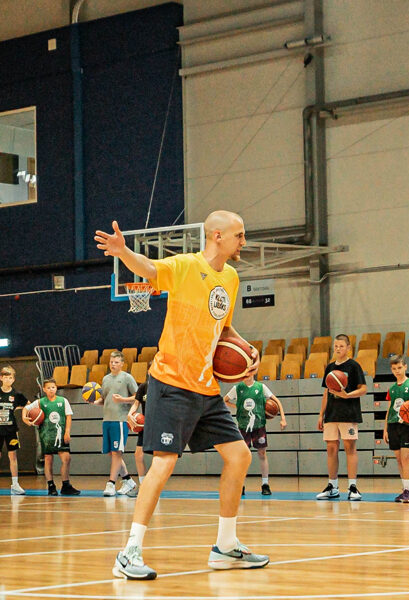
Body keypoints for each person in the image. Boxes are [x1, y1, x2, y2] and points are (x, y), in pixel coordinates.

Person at [95, 211, 267, 580]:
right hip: (172, 382)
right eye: (239, 235)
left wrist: (245, 349)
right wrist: (124, 252)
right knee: (164, 464)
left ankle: (225, 545)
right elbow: (150, 269)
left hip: (207, 387)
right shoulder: (187, 266)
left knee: (239, 456)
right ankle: (130, 552)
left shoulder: (231, 277)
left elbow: (222, 324)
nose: (244, 242)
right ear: (217, 235)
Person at [316, 334, 367, 501]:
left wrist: (348, 395)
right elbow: (326, 392)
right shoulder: (330, 367)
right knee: (331, 449)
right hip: (331, 414)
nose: (338, 349)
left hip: (348, 413)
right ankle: (333, 486)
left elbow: (363, 389)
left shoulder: (354, 366)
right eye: (336, 346)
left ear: (348, 348)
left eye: (341, 346)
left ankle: (352, 486)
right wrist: (321, 414)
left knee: (349, 448)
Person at [224, 374, 287, 495]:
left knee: (262, 453)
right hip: (243, 426)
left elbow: (277, 401)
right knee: (242, 457)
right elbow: (224, 400)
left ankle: (265, 484)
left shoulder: (261, 387)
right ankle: (240, 484)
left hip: (259, 426)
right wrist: (236, 406)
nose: (246, 375)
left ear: (253, 373)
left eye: (249, 372)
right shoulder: (237, 388)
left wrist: (283, 418)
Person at [22, 378, 80, 496]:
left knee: (66, 458)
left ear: (56, 388)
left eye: (53, 387)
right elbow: (26, 408)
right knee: (48, 460)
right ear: (44, 389)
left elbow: (68, 416)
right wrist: (24, 418)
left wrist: (67, 431)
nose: (51, 389)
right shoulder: (40, 402)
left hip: (61, 433)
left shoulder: (63, 401)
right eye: (48, 388)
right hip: (46, 434)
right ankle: (51, 486)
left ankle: (66, 485)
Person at [382, 355, 409, 503]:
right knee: (399, 459)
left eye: (399, 368)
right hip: (393, 425)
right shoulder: (392, 388)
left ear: (405, 366)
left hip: (407, 425)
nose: (397, 371)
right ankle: (406, 489)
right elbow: (389, 409)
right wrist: (385, 429)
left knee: (406, 458)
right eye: (394, 369)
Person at [95, 351, 138, 497]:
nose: (113, 364)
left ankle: (111, 483)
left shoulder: (127, 378)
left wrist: (123, 400)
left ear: (122, 364)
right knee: (110, 452)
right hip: (106, 419)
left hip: (120, 420)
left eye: (116, 362)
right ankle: (128, 480)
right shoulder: (106, 379)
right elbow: (104, 399)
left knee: (116, 452)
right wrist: (95, 401)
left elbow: (138, 397)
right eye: (111, 362)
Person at [0, 366, 28, 495]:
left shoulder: (17, 394)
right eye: (6, 377)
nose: (8, 379)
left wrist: (21, 412)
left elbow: (29, 404)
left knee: (13, 455)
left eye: (10, 377)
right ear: (1, 378)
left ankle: (15, 484)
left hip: (11, 429)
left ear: (13, 379)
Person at [126, 379, 149, 498]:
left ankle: (154, 487)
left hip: (158, 426)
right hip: (144, 426)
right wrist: (130, 415)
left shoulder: (163, 386)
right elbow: (136, 403)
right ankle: (143, 486)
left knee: (159, 458)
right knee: (138, 455)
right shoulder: (144, 387)